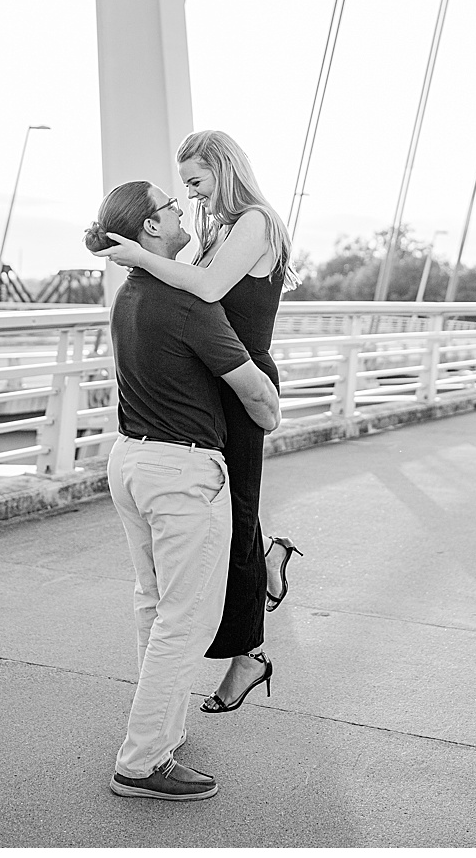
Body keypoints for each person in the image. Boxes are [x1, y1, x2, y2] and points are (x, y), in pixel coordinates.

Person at [90, 129, 302, 715]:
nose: (191, 194)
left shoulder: (254, 220)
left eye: (196, 180)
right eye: (183, 184)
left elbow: (207, 289)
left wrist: (138, 256)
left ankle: (249, 656)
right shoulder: (219, 230)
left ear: (225, 169)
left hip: (242, 383)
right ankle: (269, 564)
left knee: (236, 519)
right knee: (235, 516)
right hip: (215, 386)